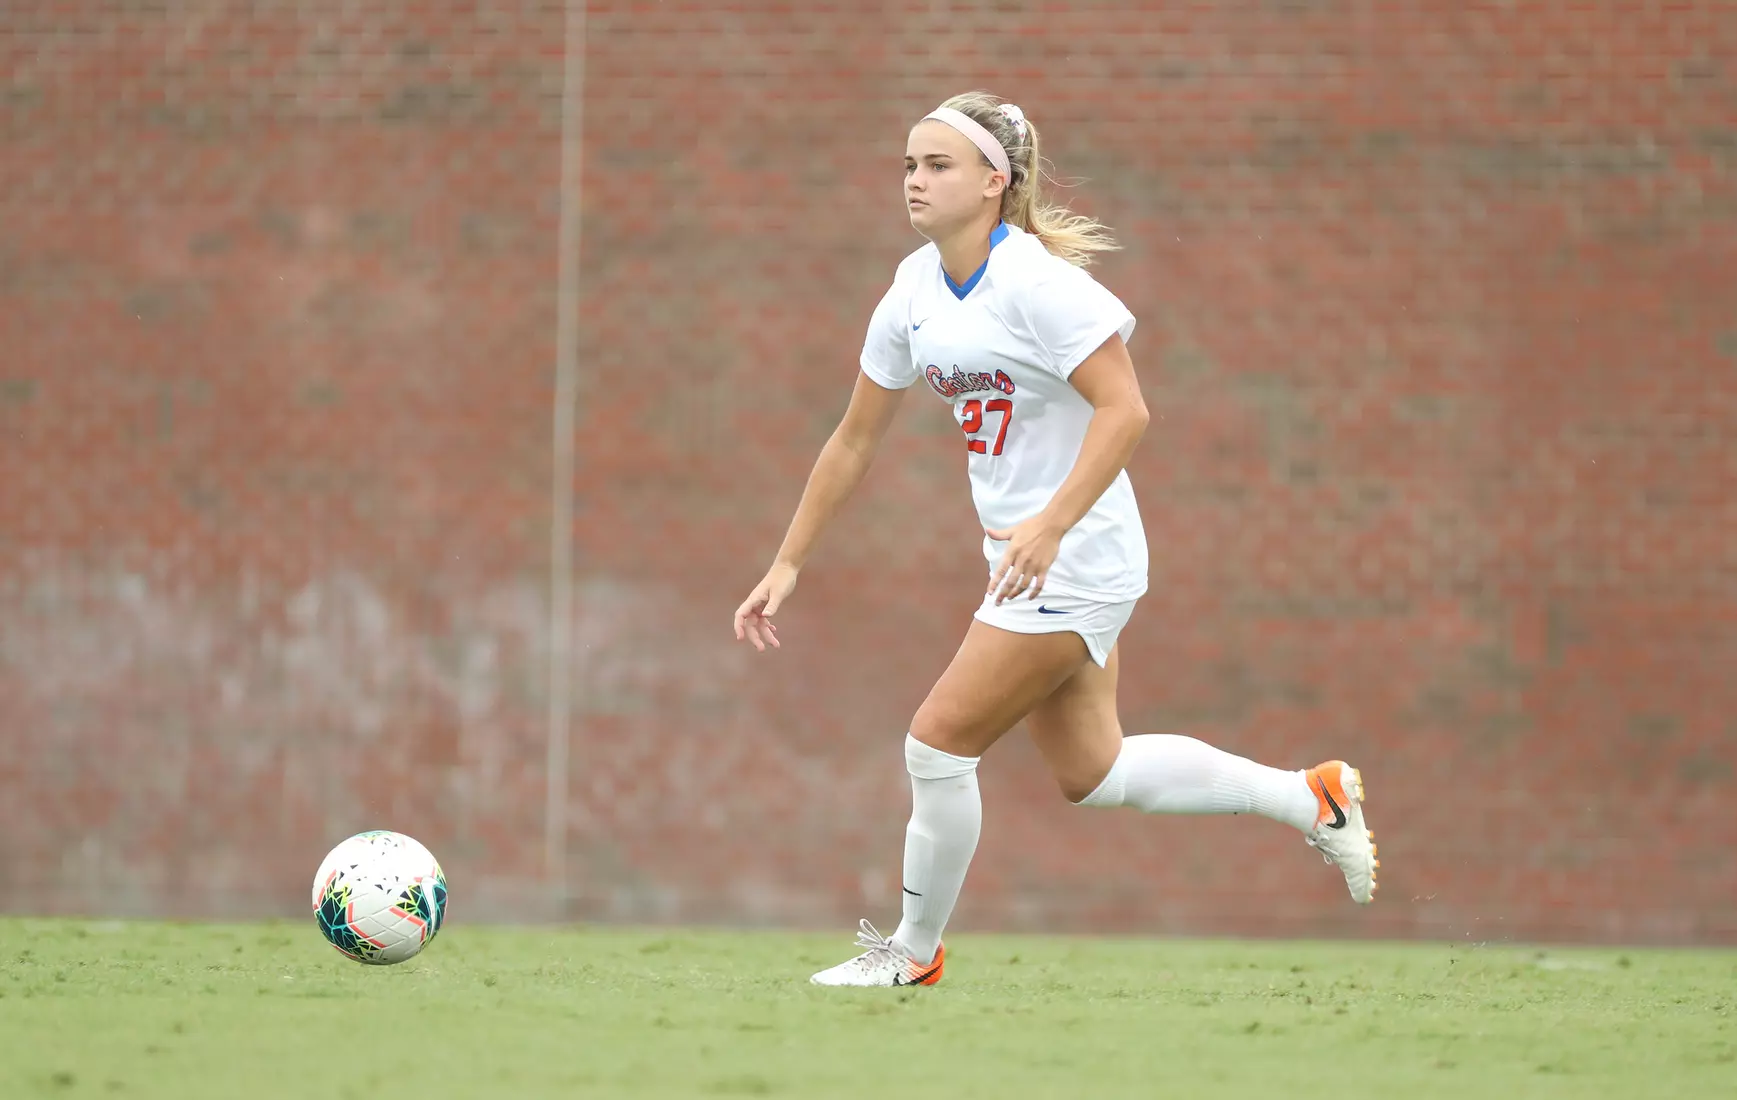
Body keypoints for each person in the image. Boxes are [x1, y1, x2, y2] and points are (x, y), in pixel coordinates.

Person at [731, 92, 1378, 988]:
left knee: (936, 742)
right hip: (1026, 555)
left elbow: (1127, 411)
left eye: (938, 165)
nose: (914, 181)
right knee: (1094, 772)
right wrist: (788, 559)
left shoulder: (1036, 282)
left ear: (995, 181)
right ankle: (1308, 797)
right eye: (909, 165)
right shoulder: (914, 285)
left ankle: (912, 956)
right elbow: (853, 437)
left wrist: (1049, 524)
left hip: (1075, 555)